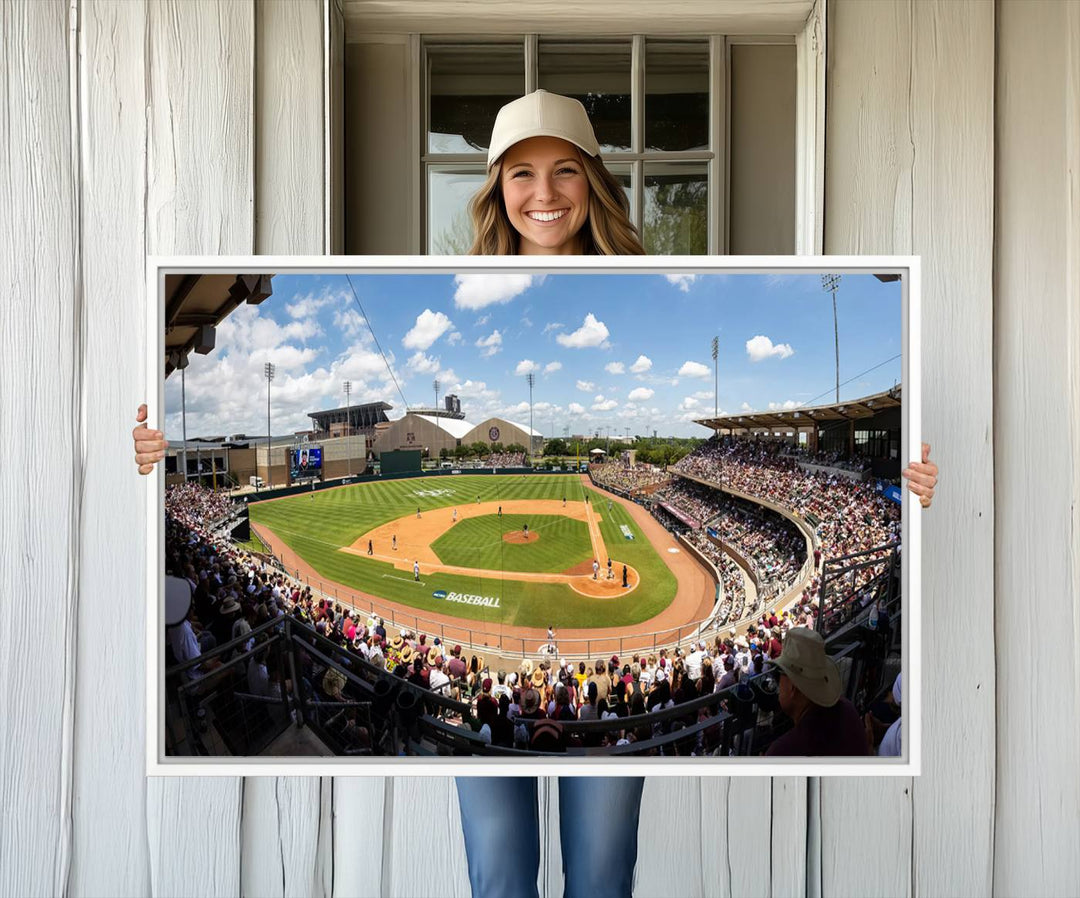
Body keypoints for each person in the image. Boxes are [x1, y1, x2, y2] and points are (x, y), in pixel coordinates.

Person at [132, 90, 939, 898]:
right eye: (521, 173)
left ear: (594, 180)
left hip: (570, 742)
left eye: (564, 171)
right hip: (527, 744)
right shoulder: (442, 265)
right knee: (501, 872)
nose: (544, 194)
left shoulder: (648, 267)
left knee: (598, 873)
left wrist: (910, 478)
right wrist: (152, 458)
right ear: (494, 188)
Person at [765, 627, 869, 756]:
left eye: (778, 674)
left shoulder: (783, 753)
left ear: (793, 687)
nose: (778, 682)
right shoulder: (848, 709)